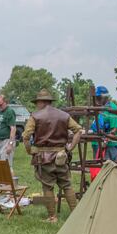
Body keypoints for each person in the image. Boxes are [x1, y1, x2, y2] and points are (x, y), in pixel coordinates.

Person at [22, 88, 83, 223]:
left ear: (41, 102)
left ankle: (52, 217)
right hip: (61, 156)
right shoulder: (64, 115)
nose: (36, 105)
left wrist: (29, 150)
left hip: (44, 157)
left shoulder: (35, 116)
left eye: (37, 102)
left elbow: (26, 136)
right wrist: (70, 147)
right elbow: (79, 130)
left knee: (47, 186)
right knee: (67, 185)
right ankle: (76, 215)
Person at [90, 86, 117, 162]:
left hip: (109, 145)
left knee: (108, 168)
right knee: (98, 168)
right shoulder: (98, 108)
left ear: (105, 97)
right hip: (97, 143)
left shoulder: (112, 108)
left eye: (98, 98)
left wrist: (105, 140)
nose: (96, 100)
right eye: (96, 97)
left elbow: (115, 129)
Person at [0, 94, 17, 171]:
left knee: (6, 165)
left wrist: (10, 144)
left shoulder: (9, 111)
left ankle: (10, 183)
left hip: (6, 141)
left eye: (0, 105)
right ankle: (0, 182)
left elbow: (13, 128)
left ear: (6, 102)